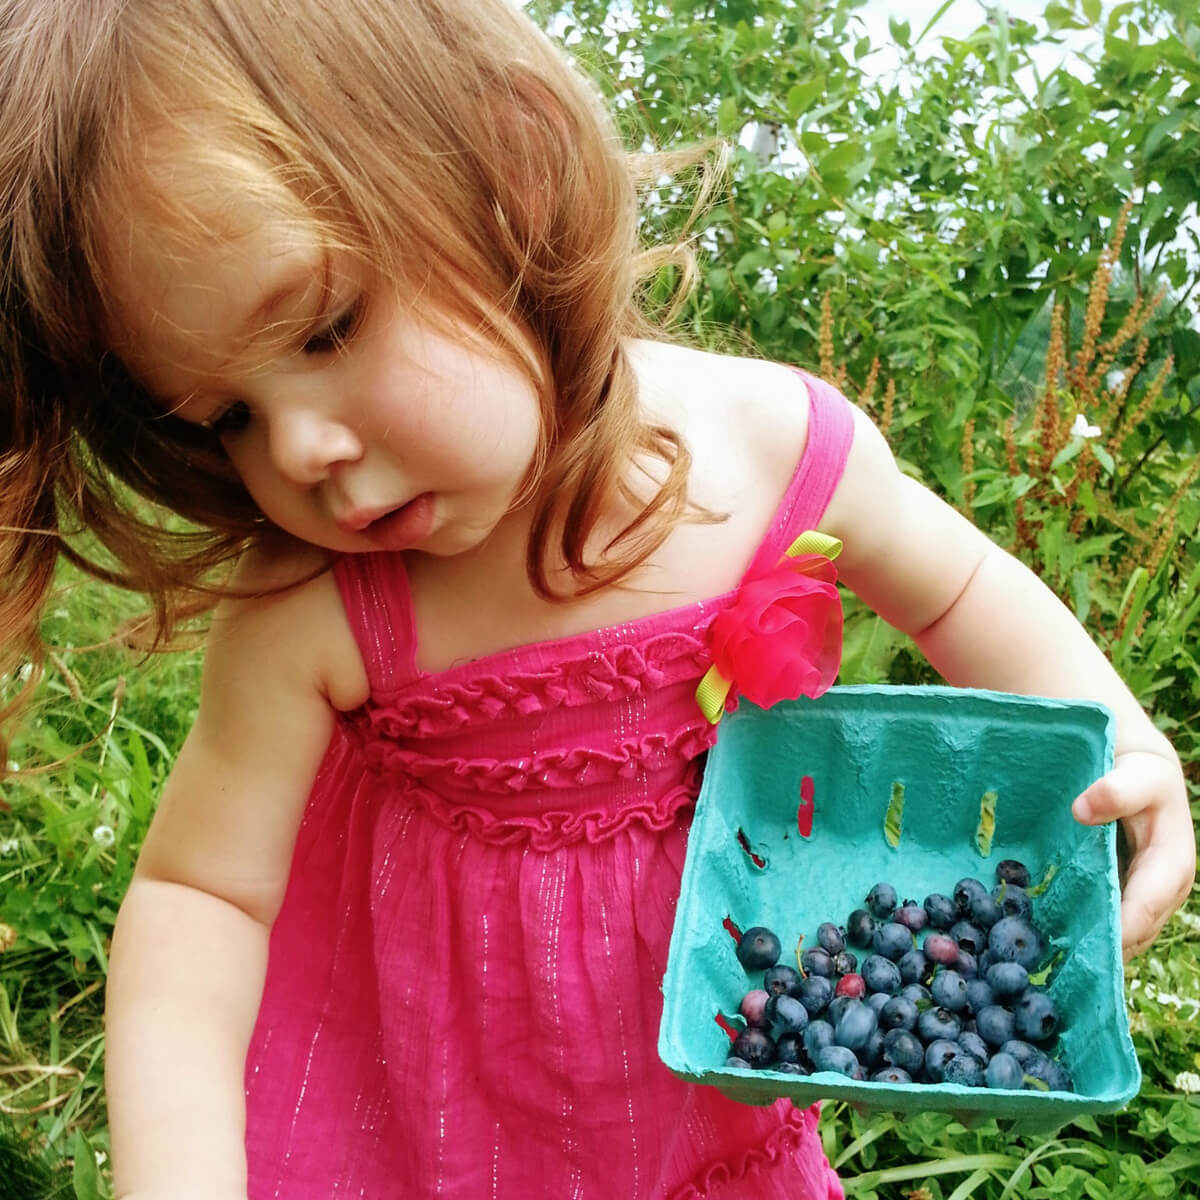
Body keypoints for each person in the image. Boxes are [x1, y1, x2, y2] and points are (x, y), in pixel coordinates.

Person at [0, 1, 1192, 1197]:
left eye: (325, 327)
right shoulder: (316, 606)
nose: (298, 447)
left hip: (702, 1110)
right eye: (228, 415)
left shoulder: (771, 449)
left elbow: (962, 587)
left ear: (509, 179)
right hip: (429, 1132)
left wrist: (1124, 739)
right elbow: (200, 897)